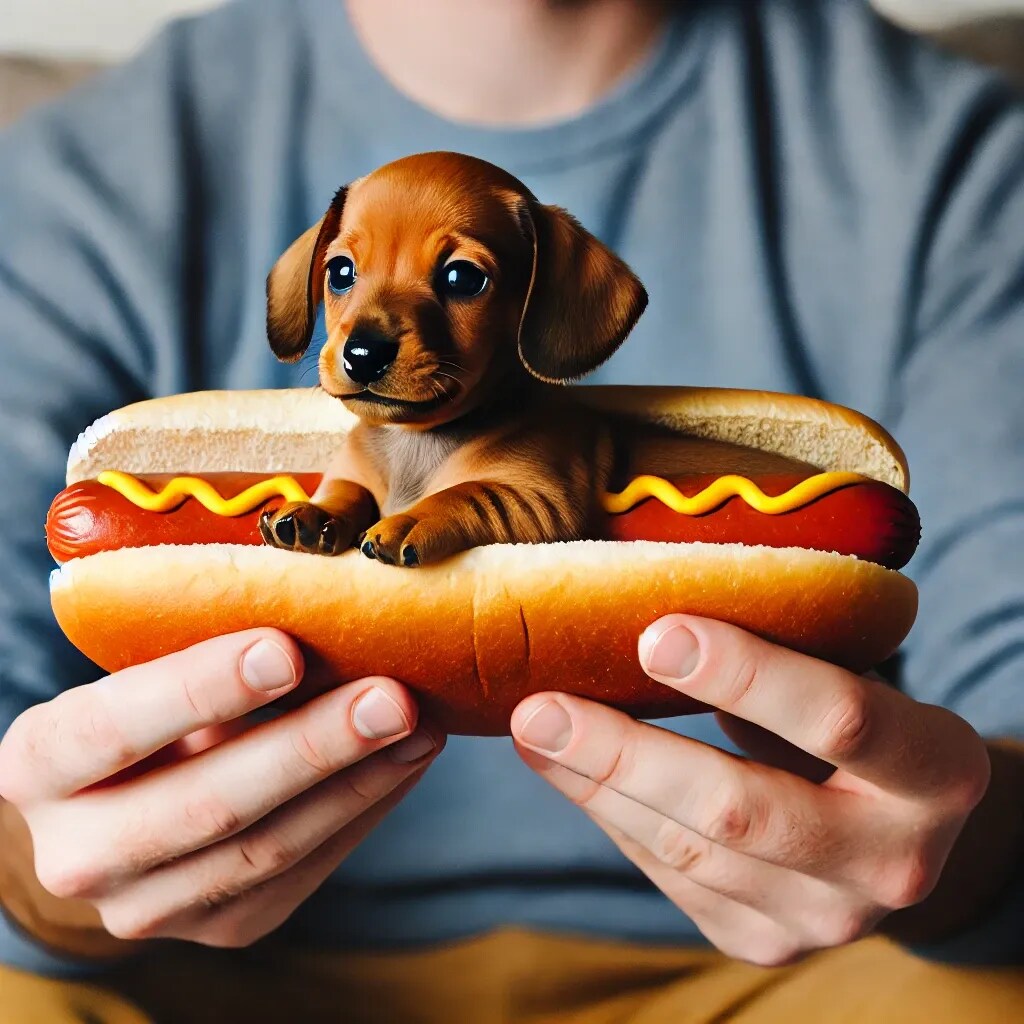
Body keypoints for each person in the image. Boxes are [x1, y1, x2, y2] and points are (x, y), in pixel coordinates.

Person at [1, 1, 1022, 1020]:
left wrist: (945, 847)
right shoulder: (77, 172)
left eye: (461, 278)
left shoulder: (956, 158)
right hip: (216, 981)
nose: (362, 326)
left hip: (789, 980)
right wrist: (52, 882)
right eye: (344, 277)